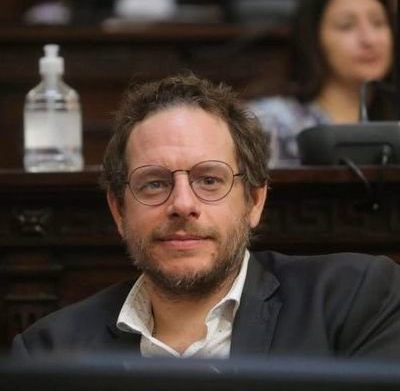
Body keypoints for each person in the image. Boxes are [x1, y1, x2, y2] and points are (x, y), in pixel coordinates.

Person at [11, 73, 400, 360]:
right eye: (154, 183)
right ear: (118, 210)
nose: (183, 204)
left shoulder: (355, 299)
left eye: (209, 180)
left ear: (254, 201)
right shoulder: (49, 351)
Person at [250, 0, 395, 165]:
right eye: (346, 26)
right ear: (313, 40)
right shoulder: (271, 123)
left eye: (378, 23)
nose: (369, 39)